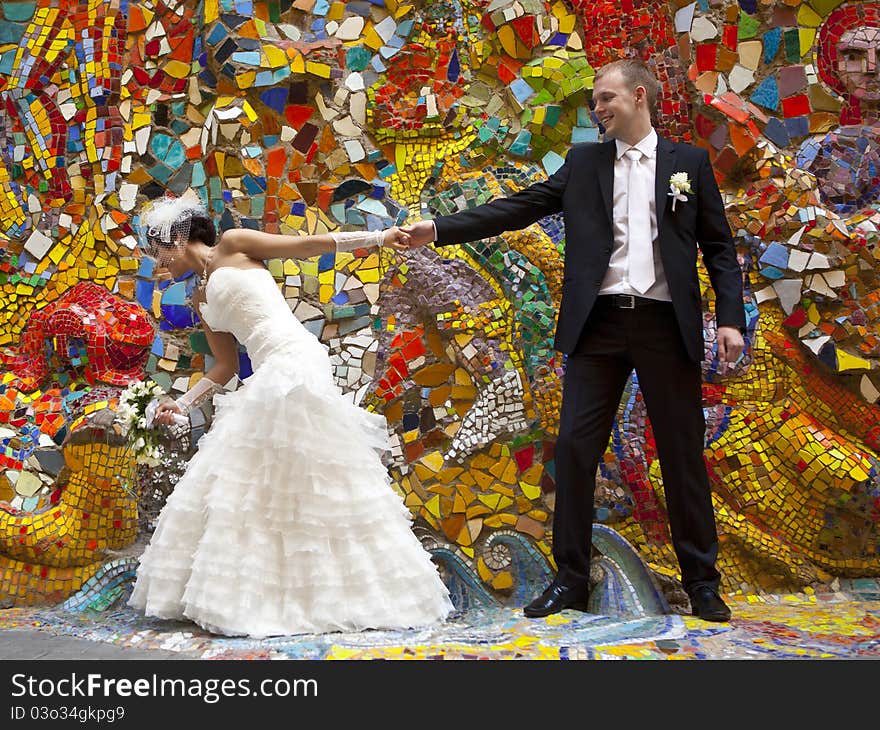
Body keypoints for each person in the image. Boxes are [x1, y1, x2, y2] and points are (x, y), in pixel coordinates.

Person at [402, 59, 745, 622]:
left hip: (665, 324)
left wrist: (729, 318)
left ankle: (702, 582)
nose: (599, 109)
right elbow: (518, 208)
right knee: (575, 450)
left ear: (639, 96)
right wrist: (439, 230)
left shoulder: (689, 164)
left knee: (682, 456)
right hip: (599, 326)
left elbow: (720, 248)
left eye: (606, 98)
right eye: (594, 102)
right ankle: (571, 579)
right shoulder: (584, 163)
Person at [127, 193, 453, 637]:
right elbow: (222, 368)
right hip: (266, 373)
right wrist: (180, 405)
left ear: (177, 239)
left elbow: (308, 246)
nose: (160, 265)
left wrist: (379, 237)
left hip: (294, 361)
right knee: (260, 480)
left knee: (304, 471)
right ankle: (278, 593)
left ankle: (342, 591)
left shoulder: (234, 244)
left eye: (159, 254)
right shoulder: (201, 300)